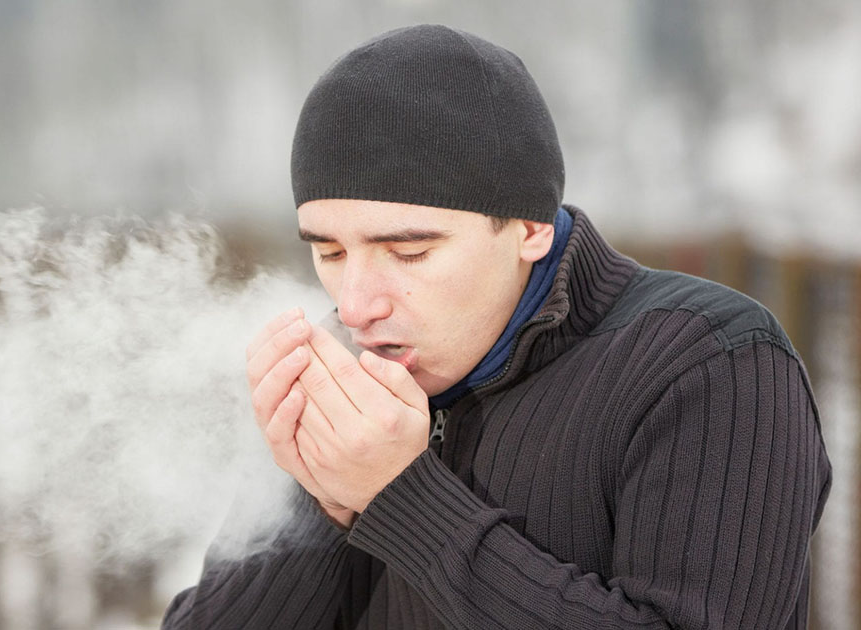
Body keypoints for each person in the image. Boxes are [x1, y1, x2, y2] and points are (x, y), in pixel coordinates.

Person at [163, 24, 831, 629]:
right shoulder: (344, 382)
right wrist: (320, 499)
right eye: (331, 253)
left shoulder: (710, 364)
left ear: (530, 227)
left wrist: (401, 498)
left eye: (409, 251)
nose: (357, 305)